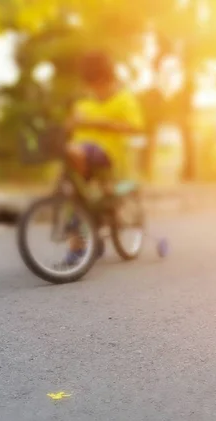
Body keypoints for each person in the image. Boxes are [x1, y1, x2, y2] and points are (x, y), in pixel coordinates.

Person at [62, 51, 145, 267]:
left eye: (98, 84)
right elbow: (70, 128)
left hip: (107, 155)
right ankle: (81, 238)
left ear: (109, 79)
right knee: (72, 191)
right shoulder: (83, 102)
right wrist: (71, 124)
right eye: (90, 85)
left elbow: (135, 127)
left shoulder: (124, 99)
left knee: (76, 156)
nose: (94, 90)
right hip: (81, 153)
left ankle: (83, 236)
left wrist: (99, 123)